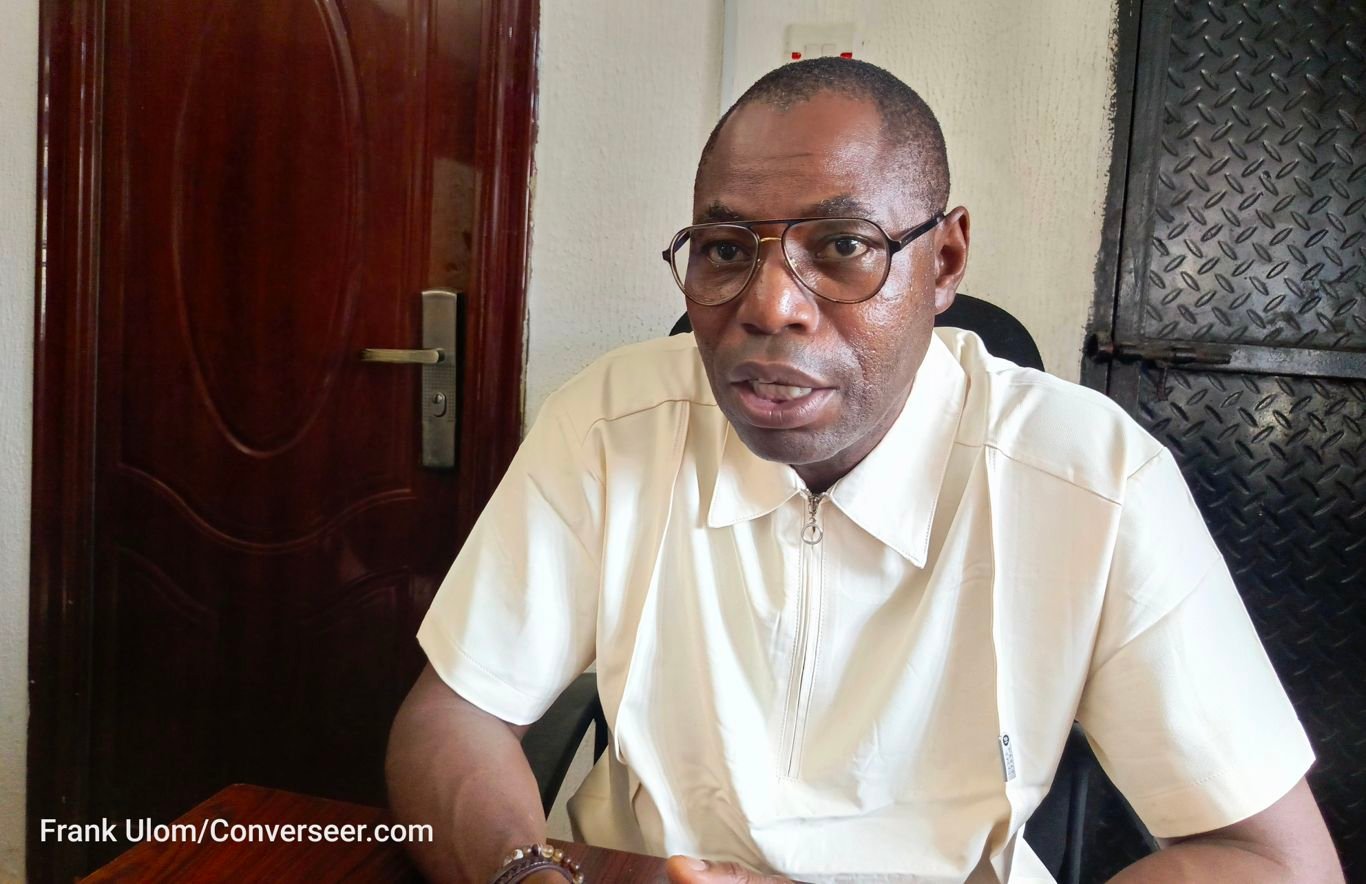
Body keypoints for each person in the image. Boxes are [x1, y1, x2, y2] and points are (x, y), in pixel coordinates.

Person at [386, 58, 1343, 883]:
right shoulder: (612, 422)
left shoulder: (1091, 480)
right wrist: (529, 874)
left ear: (946, 261)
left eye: (844, 247)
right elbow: (452, 719)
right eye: (725, 249)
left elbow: (1272, 859)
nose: (770, 305)